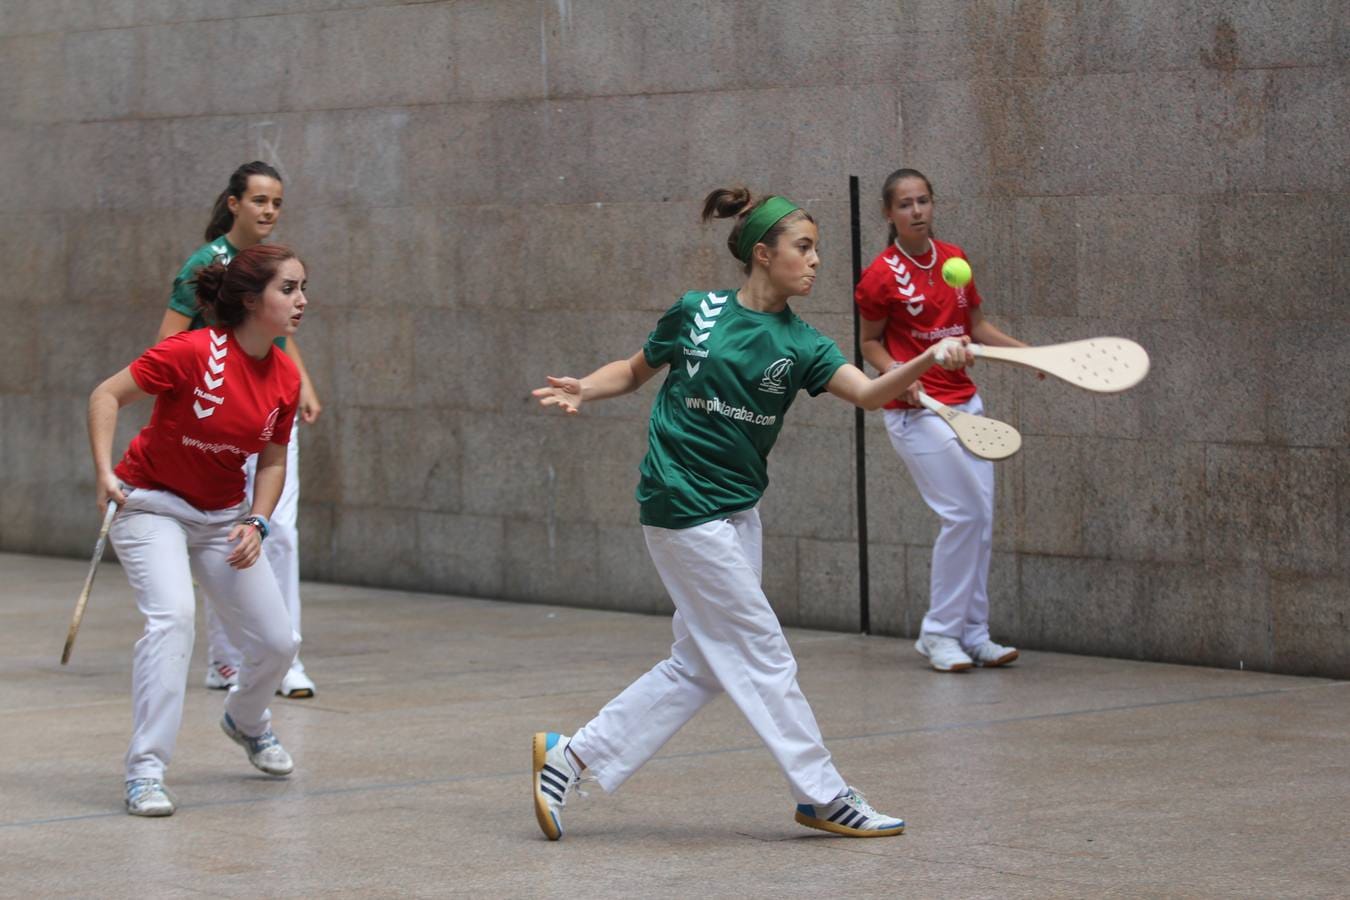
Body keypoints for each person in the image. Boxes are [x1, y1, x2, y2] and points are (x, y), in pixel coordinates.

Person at [529, 187, 973, 840]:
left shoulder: (806, 345)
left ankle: (571, 757)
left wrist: (928, 359)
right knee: (762, 652)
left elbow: (873, 395)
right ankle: (823, 794)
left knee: (703, 664)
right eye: (804, 247)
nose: (817, 260)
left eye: (817, 248)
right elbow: (632, 370)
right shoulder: (696, 313)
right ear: (762, 255)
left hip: (738, 511)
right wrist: (585, 389)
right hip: (679, 505)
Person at [88, 244, 308, 816]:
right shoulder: (190, 352)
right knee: (174, 619)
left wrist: (257, 520)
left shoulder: (284, 373)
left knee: (280, 642)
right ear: (250, 298)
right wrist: (103, 472)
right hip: (150, 505)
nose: (301, 300)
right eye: (288, 289)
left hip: (220, 519)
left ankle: (246, 719)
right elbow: (106, 395)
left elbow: (274, 459)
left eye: (302, 288)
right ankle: (145, 771)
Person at [156, 161, 321, 698]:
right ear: (234, 203)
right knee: (226, 534)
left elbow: (278, 330)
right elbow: (166, 347)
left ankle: (285, 655)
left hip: (272, 411)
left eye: (276, 202)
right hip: (220, 419)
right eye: (259, 201)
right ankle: (226, 659)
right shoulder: (206, 264)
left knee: (278, 533)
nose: (269, 211)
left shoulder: (274, 264)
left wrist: (306, 385)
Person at [855, 167, 1029, 673]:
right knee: (964, 515)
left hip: (966, 404)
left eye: (923, 201)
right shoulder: (880, 276)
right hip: (918, 412)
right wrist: (896, 373)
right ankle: (938, 634)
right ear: (889, 213)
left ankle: (973, 633)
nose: (917, 211)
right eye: (905, 204)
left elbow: (976, 327)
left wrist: (1029, 356)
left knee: (981, 522)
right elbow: (869, 341)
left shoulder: (954, 260)